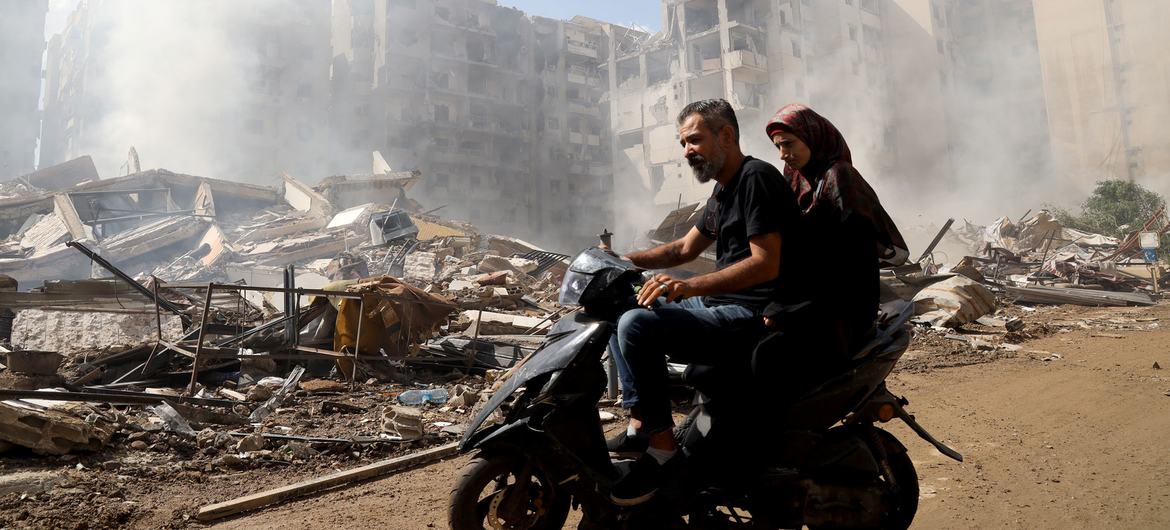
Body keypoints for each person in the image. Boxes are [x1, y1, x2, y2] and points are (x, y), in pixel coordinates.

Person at [606, 99, 801, 505]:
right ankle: (642, 421)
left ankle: (663, 450)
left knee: (637, 325)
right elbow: (681, 250)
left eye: (694, 140)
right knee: (621, 305)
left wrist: (690, 288)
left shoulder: (756, 179)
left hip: (748, 314)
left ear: (725, 136)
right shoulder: (724, 190)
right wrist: (622, 260)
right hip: (717, 305)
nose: (687, 151)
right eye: (683, 143)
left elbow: (767, 264)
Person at [755, 104, 908, 391]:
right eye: (777, 146)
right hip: (813, 297)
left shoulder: (840, 178)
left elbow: (844, 263)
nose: (782, 154)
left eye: (788, 144)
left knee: (766, 357)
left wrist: (786, 308)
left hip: (841, 306)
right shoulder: (797, 178)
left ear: (813, 138)